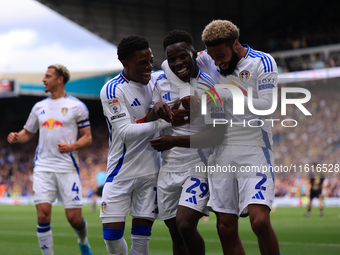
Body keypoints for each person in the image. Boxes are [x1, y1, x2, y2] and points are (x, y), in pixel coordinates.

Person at [161, 20, 281, 255]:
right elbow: (168, 63)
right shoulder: (207, 57)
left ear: (235, 44)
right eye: (212, 56)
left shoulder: (262, 62)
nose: (216, 62)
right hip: (220, 151)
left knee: (259, 221)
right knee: (225, 227)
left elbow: (267, 106)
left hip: (254, 148)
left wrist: (226, 93)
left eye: (221, 55)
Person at [99, 35, 175, 255]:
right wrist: (163, 121)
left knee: (141, 243)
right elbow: (125, 132)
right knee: (112, 239)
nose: (149, 67)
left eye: (150, 60)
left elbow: (188, 61)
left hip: (151, 173)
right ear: (126, 64)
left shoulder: (157, 79)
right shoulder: (113, 89)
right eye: (142, 63)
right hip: (120, 172)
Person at [7, 64, 93, 255]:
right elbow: (27, 133)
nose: (44, 80)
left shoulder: (77, 106)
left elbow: (87, 137)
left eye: (47, 76)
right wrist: (16, 137)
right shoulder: (39, 107)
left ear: (59, 79)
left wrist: (71, 147)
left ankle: (82, 239)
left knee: (74, 219)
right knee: (43, 215)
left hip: (67, 168)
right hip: (43, 167)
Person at [148, 30, 216, 255]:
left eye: (183, 56)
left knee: (186, 225)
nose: (178, 62)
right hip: (168, 168)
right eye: (172, 59)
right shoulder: (160, 80)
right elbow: (151, 114)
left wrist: (174, 140)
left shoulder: (208, 87)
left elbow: (216, 135)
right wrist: (156, 109)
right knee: (175, 233)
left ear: (194, 54)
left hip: (199, 166)